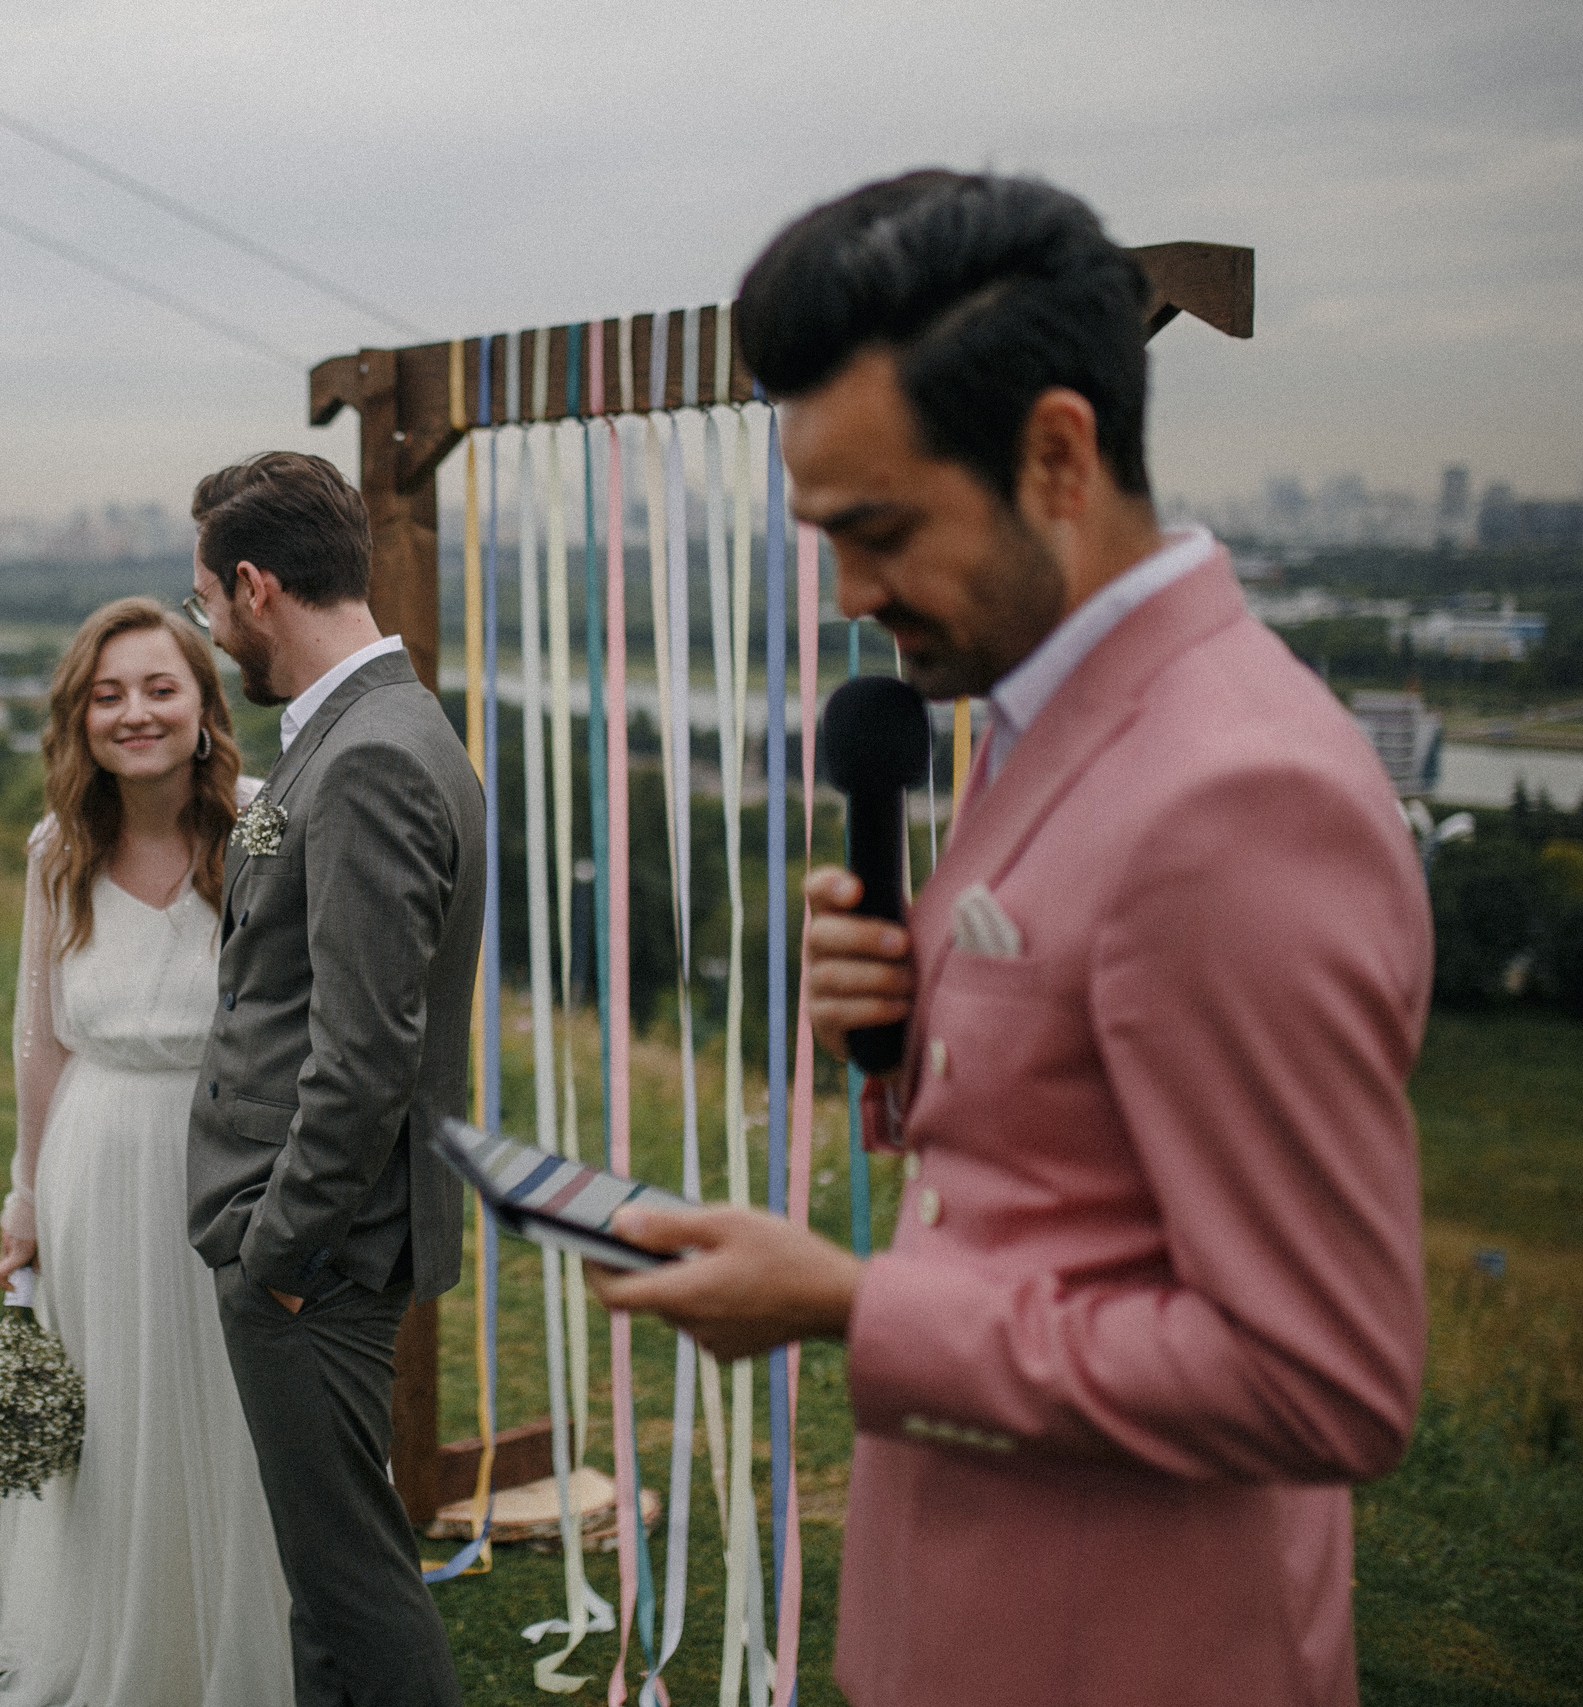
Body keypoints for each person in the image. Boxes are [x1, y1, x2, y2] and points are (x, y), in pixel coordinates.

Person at [590, 171, 1430, 1707]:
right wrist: (903, 1039)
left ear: (1057, 452)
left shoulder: (1237, 794)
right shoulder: (1044, 710)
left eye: (883, 527)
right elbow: (1068, 1172)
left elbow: (1324, 1379)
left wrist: (851, 1304)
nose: (850, 595)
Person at [183, 451, 484, 1707]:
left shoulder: (368, 757)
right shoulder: (343, 737)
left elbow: (364, 1056)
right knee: (326, 1586)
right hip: (312, 1244)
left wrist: (280, 1255)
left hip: (317, 1257)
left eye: (205, 600)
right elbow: (270, 885)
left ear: (256, 586)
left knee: (354, 1586)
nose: (207, 627)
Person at [0, 596, 293, 1707]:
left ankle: (232, 1658)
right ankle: (122, 1650)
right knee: (111, 1424)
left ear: (205, 707)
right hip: (94, 1167)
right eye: (108, 695)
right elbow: (40, 1040)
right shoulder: (57, 849)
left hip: (229, 1167)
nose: (135, 713)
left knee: (227, 1418)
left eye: (160, 687)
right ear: (81, 719)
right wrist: (24, 1196)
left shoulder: (261, 825)